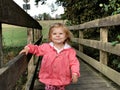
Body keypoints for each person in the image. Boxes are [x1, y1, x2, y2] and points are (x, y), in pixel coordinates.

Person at [19, 23, 80, 90]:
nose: (57, 36)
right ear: (50, 37)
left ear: (66, 36)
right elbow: (37, 49)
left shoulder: (70, 51)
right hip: (49, 78)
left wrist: (75, 72)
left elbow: (74, 63)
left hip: (62, 78)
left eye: (61, 33)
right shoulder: (46, 47)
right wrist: (29, 48)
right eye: (54, 34)